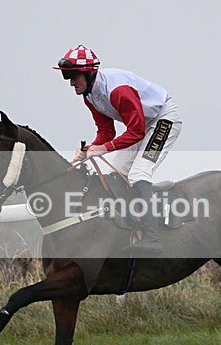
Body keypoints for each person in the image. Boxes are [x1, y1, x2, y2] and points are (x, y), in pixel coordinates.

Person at [54, 45, 182, 253]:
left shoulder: (118, 91)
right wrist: (89, 150)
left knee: (139, 174)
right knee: (116, 174)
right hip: (141, 125)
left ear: (88, 73)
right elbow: (106, 133)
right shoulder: (89, 96)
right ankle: (131, 225)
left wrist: (103, 148)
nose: (71, 83)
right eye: (67, 77)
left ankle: (152, 237)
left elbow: (137, 131)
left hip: (163, 119)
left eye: (73, 76)